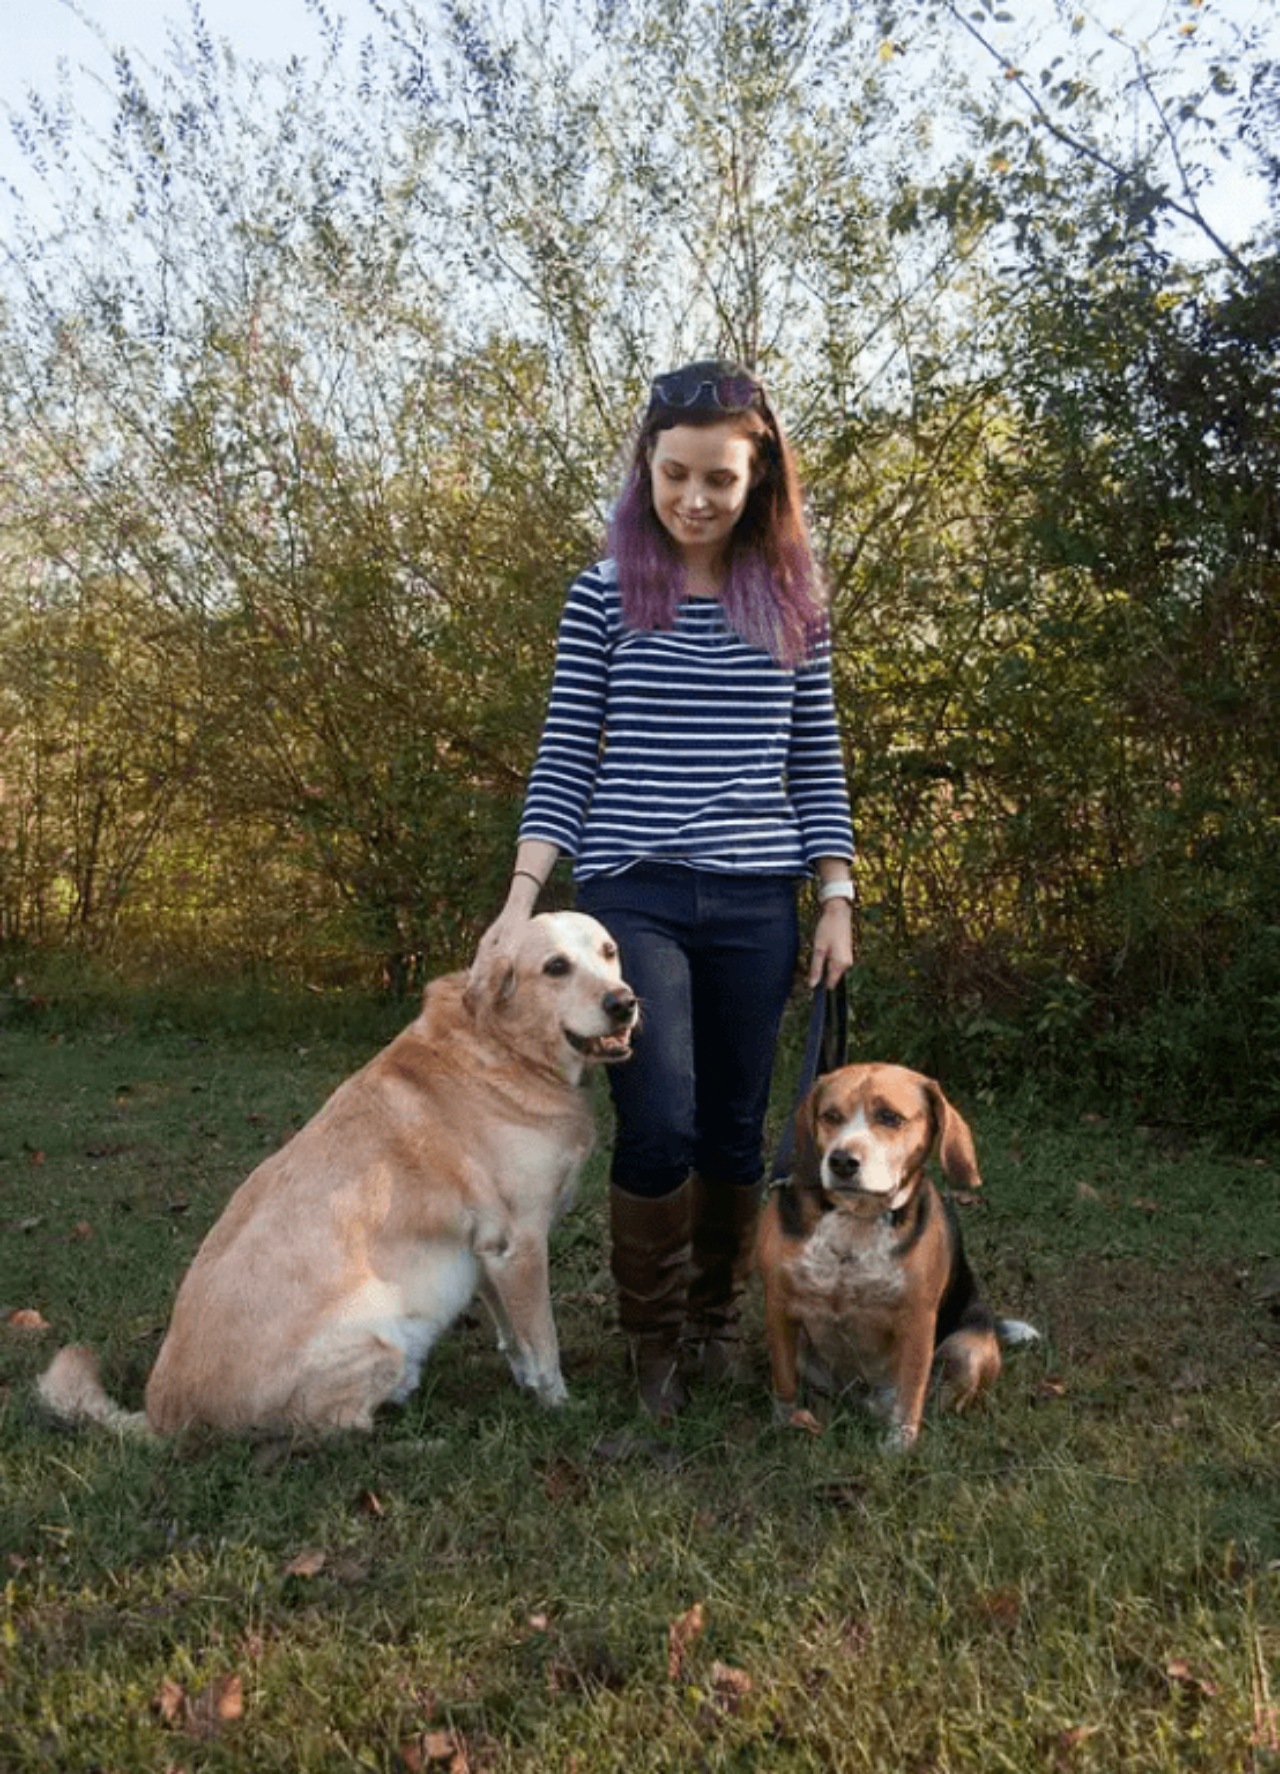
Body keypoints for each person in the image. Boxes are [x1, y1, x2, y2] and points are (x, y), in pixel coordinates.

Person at [472, 360, 855, 1419]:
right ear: (644, 467)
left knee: (735, 1130)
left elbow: (814, 757)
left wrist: (835, 893)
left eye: (718, 480)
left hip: (752, 902)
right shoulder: (603, 594)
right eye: (673, 474)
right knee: (659, 1123)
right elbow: (563, 757)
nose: (693, 498)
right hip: (630, 895)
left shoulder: (791, 602)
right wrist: (521, 897)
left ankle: (711, 1325)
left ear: (759, 477)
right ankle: (650, 1351)